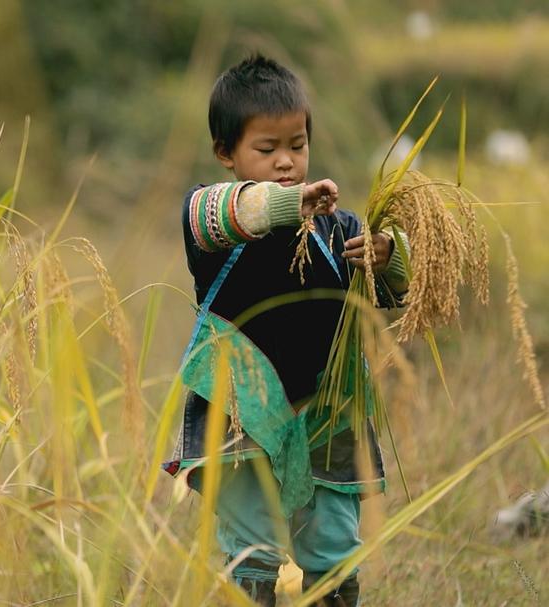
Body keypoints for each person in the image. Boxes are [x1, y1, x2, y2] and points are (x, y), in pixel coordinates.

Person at [163, 54, 410, 606]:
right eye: (267, 149)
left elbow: (394, 294)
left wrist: (388, 254)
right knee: (254, 553)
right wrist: (285, 203)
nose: (286, 163)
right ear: (225, 153)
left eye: (297, 147)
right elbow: (230, 210)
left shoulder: (337, 228)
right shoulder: (211, 222)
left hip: (326, 413)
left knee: (332, 549)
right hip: (241, 413)